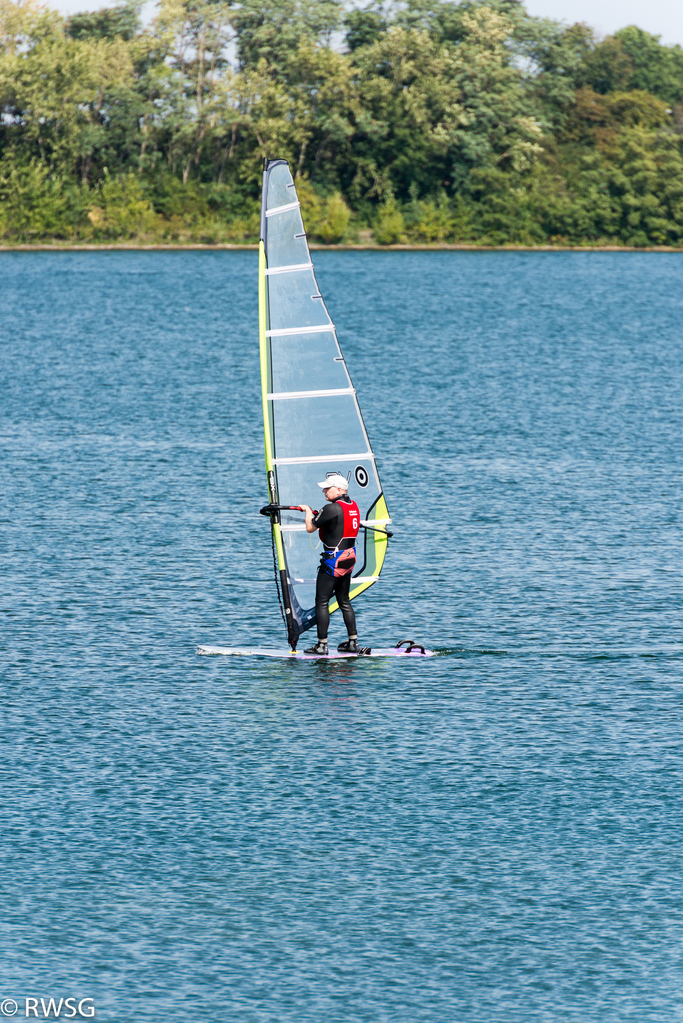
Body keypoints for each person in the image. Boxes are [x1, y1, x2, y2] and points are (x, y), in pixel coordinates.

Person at [299, 473, 361, 655]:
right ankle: (352, 643)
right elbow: (339, 523)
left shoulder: (331, 508)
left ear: (340, 489)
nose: (324, 491)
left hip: (333, 562)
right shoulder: (354, 506)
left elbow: (311, 527)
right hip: (349, 559)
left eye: (327, 488)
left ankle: (321, 645)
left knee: (322, 602)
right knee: (344, 601)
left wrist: (308, 512)